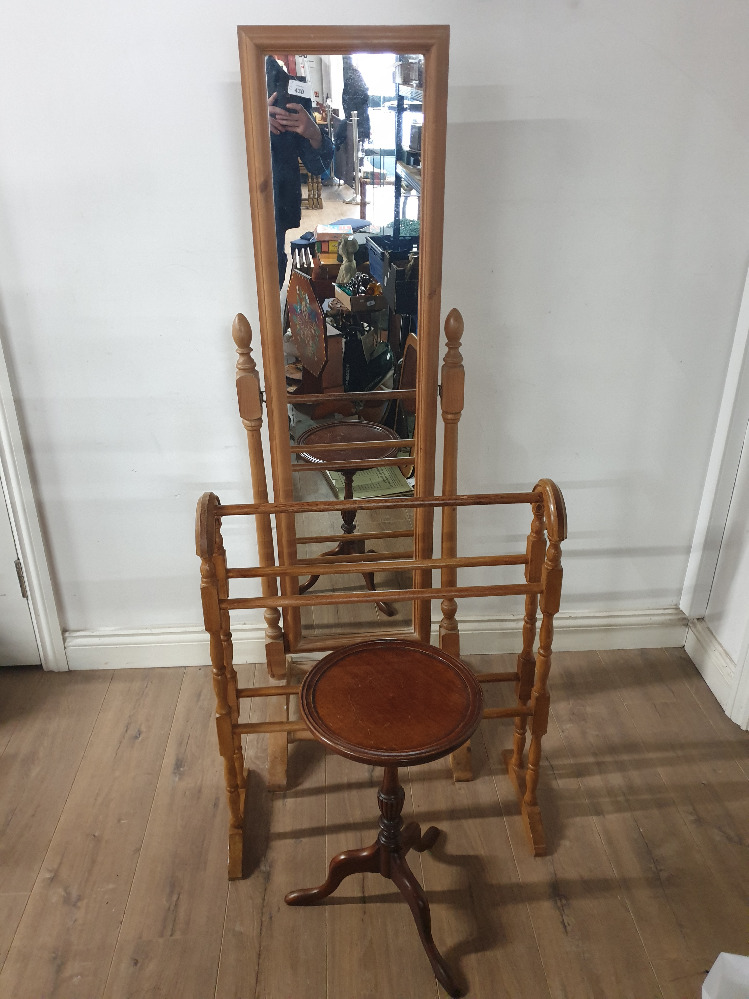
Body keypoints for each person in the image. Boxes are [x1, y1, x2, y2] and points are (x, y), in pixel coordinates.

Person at [266, 57, 334, 288]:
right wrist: (252, 122)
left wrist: (313, 133)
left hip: (277, 207)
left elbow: (319, 168)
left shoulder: (290, 86)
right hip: (233, 207)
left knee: (274, 269)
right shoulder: (239, 83)